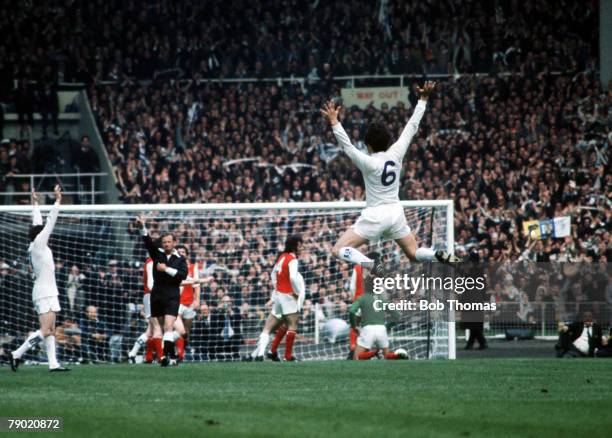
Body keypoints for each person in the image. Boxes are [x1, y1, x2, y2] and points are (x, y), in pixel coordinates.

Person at [320, 81, 460, 274]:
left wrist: (335, 122)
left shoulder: (368, 162)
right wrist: (423, 99)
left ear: (368, 144)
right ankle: (436, 254)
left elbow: (348, 147)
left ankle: (370, 264)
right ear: (389, 141)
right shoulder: (396, 153)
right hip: (396, 213)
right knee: (413, 253)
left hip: (376, 215)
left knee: (338, 249)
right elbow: (412, 126)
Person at [10, 186, 70, 372]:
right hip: (44, 292)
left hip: (47, 291)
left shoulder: (34, 245)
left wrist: (35, 202)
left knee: (51, 330)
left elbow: (38, 222)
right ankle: (17, 353)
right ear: (39, 235)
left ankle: (53, 363)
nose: (45, 231)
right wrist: (57, 200)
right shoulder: (38, 245)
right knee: (45, 330)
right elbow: (49, 222)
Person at [135, 215, 188, 367]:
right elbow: (148, 243)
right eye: (164, 242)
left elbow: (182, 276)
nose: (166, 244)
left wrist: (166, 269)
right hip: (157, 295)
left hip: (172, 295)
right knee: (158, 328)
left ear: (174, 243)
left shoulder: (180, 259)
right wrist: (142, 227)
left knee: (169, 326)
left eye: (169, 242)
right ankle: (165, 356)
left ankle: (167, 356)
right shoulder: (157, 254)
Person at [250, 235, 305, 361]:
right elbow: (292, 277)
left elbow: (273, 273)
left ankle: (260, 354)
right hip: (288, 296)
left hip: (279, 296)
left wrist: (276, 288)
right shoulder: (292, 259)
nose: (302, 248)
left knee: (268, 327)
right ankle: (288, 356)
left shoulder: (281, 256)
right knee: (292, 324)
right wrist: (296, 292)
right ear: (296, 245)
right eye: (301, 245)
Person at [349, 273, 407, 360]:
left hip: (367, 329)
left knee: (356, 357)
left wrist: (354, 326)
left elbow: (351, 311)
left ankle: (374, 353)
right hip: (381, 329)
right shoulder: (382, 299)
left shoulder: (362, 298)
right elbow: (398, 315)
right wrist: (388, 326)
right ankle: (397, 355)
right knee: (386, 356)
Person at [128, 256, 163, 363]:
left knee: (150, 330)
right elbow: (150, 284)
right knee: (157, 328)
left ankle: (134, 353)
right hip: (153, 296)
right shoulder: (152, 262)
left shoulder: (153, 261)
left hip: (153, 296)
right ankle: (162, 357)